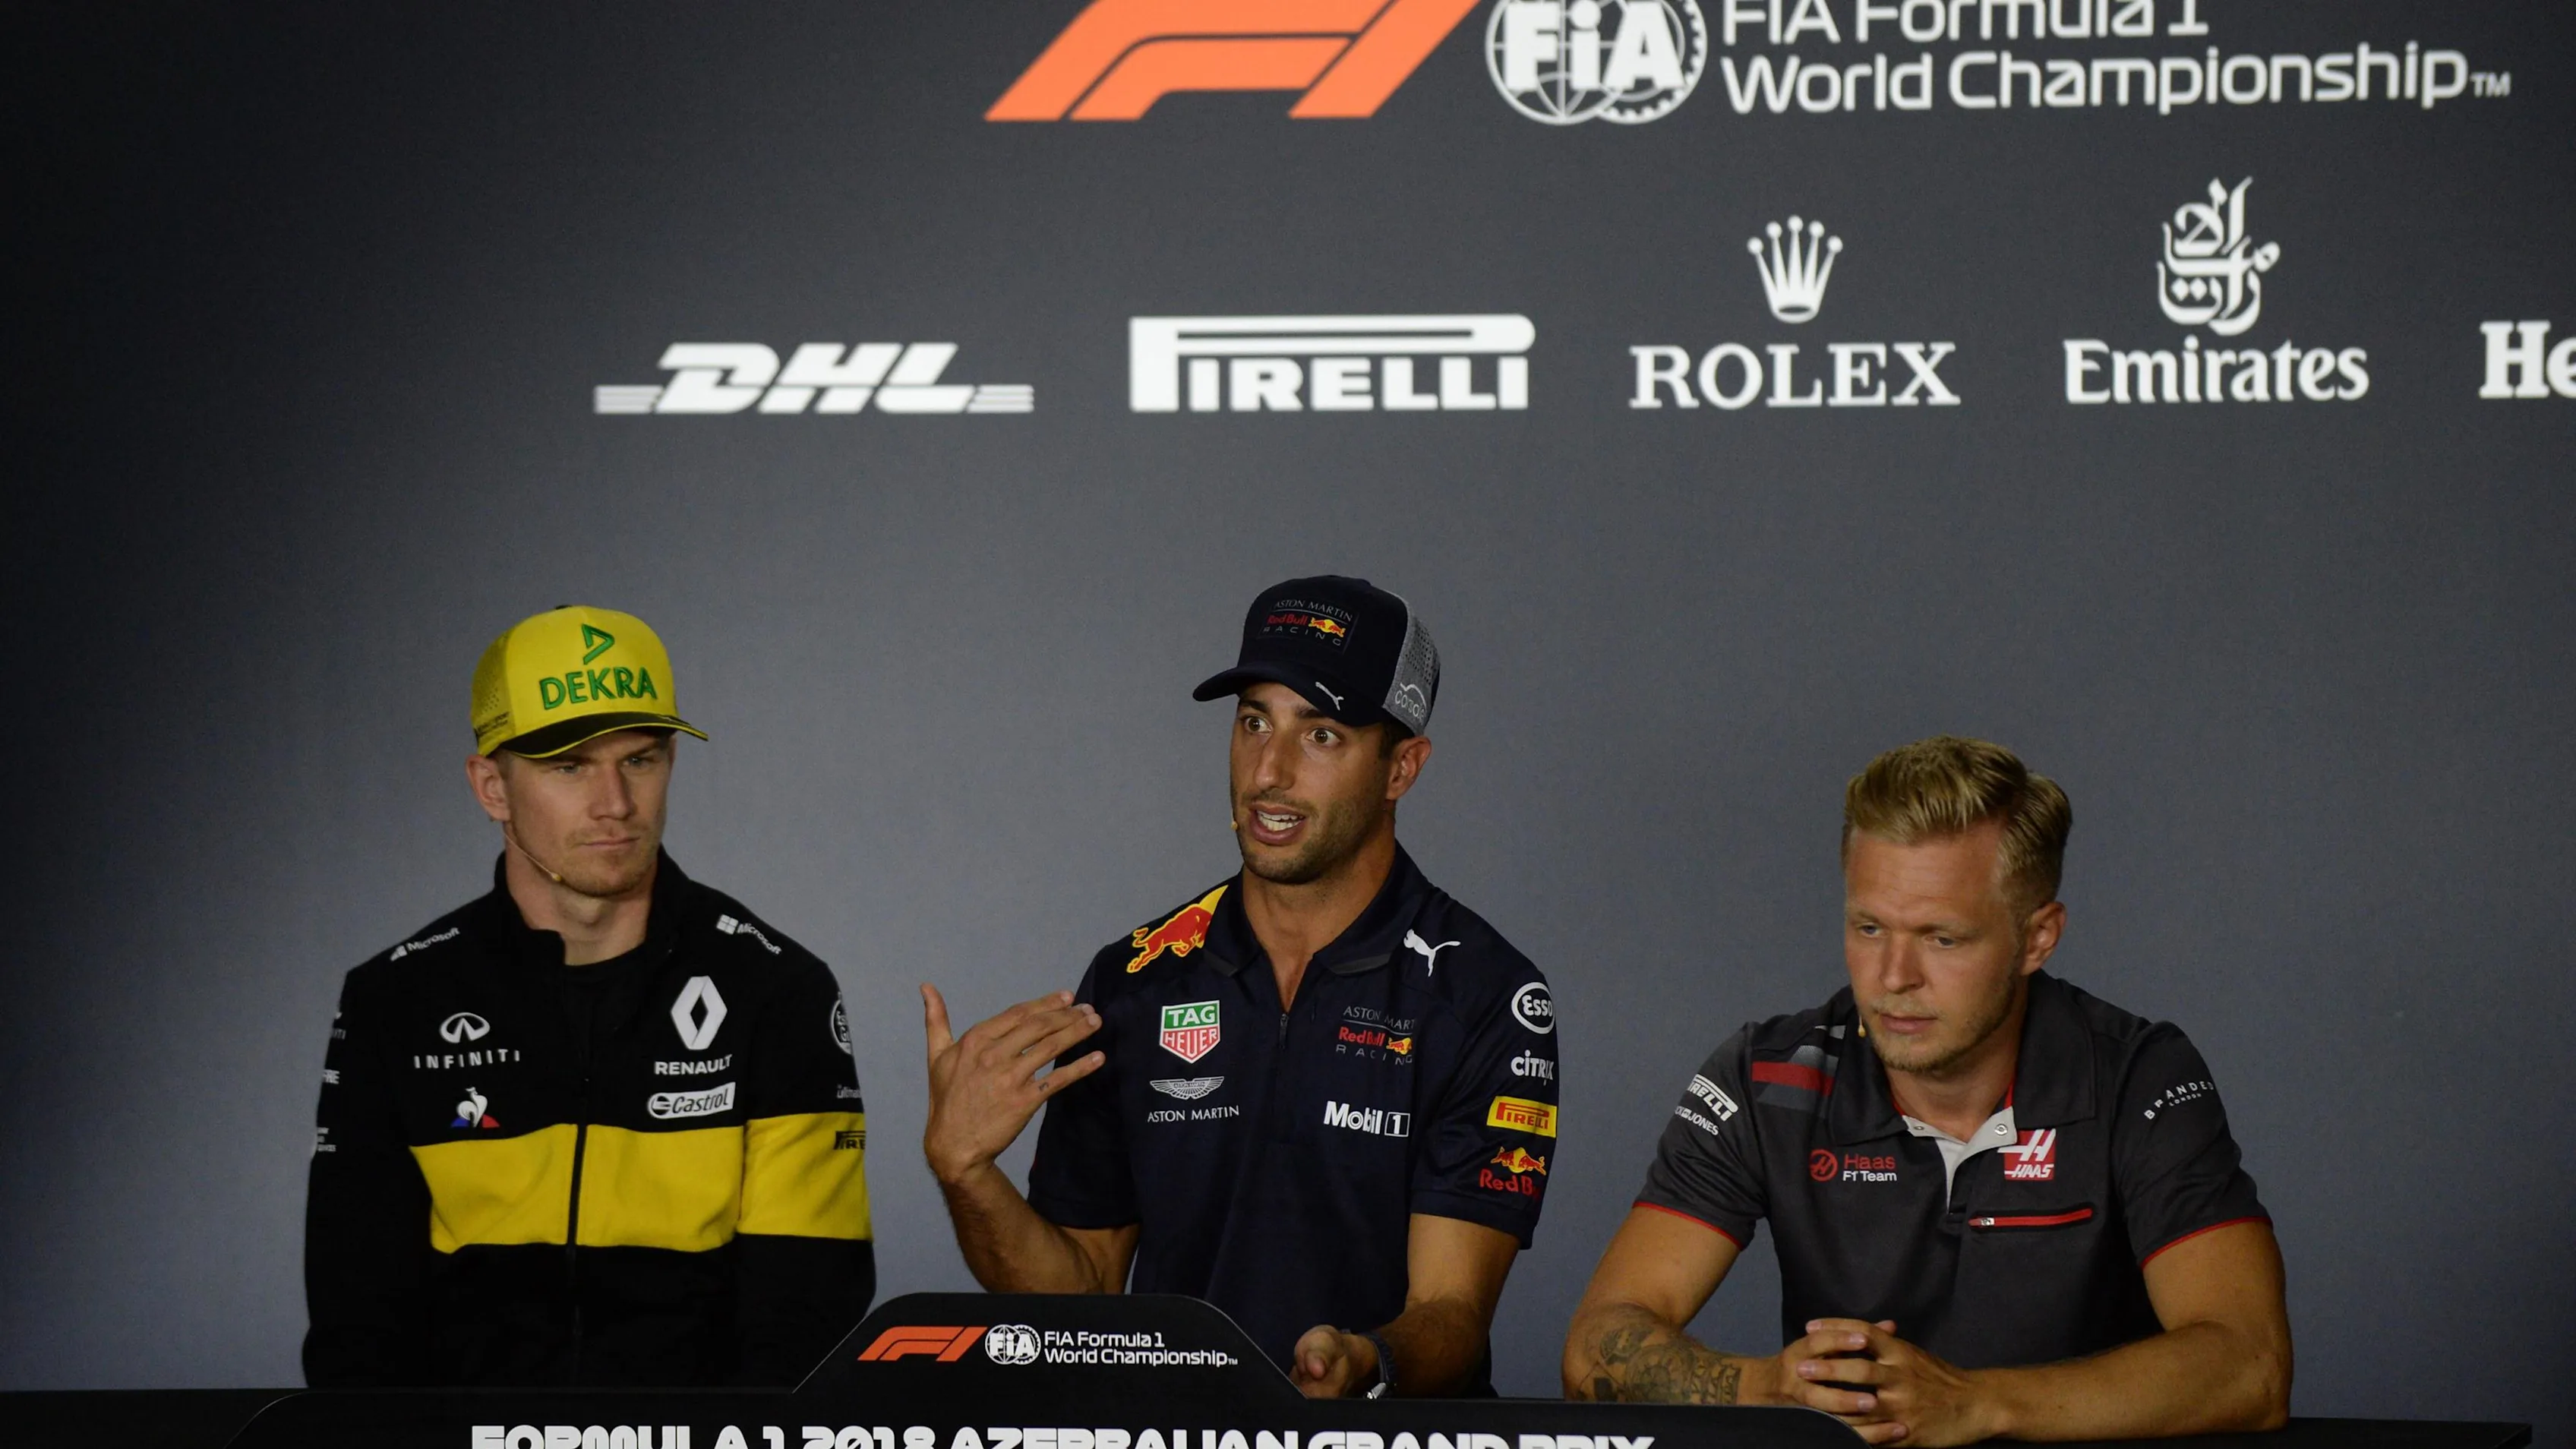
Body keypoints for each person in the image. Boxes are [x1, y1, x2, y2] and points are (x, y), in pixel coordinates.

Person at [921, 576, 1558, 1397]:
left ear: (1401, 767)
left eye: (1320, 735)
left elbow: (1453, 1312)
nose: (1268, 771)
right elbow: (1076, 1297)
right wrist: (964, 1170)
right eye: (1253, 720)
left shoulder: (1483, 995)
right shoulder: (1134, 980)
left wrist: (1365, 1361)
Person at [1564, 736, 2290, 1444]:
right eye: (1870, 927)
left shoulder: (2138, 1076)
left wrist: (1977, 1403)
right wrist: (1773, 1391)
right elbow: (1597, 1345)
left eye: (1943, 938)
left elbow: (2250, 1368)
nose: (1894, 977)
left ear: (2038, 938)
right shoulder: (1770, 1078)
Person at [304, 606, 874, 1387]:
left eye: (640, 759)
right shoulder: (394, 1000)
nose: (615, 803)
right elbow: (357, 1326)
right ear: (491, 787)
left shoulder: (777, 990)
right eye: (569, 765)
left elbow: (805, 1326)